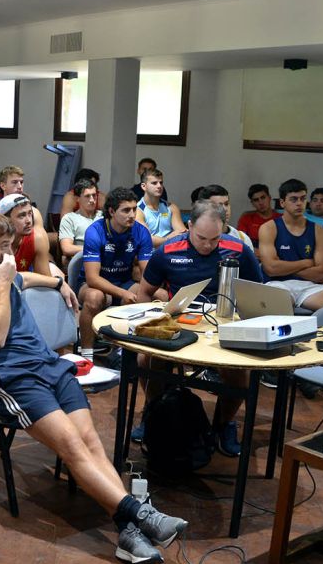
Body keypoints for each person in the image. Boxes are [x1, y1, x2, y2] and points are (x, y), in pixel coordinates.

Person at [0, 212, 188, 564]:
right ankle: (139, 514)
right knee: (71, 445)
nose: (11, 255)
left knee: (89, 440)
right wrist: (3, 284)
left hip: (48, 366)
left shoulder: (8, 274)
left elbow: (25, 277)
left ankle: (127, 528)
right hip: (9, 376)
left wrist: (57, 282)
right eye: (4, 248)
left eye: (11, 246)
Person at [137, 202, 266, 456]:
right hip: (179, 325)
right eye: (201, 238)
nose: (208, 245)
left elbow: (257, 293)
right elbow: (144, 292)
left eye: (215, 239)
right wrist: (149, 323)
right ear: (189, 226)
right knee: (145, 360)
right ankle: (154, 413)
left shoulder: (239, 250)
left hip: (223, 326)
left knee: (239, 374)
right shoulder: (167, 251)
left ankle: (223, 425)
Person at [78, 188, 156, 354]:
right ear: (112, 211)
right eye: (126, 210)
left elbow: (148, 273)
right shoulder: (95, 231)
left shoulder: (141, 232)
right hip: (95, 285)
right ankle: (87, 354)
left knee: (159, 295)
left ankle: (130, 354)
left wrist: (146, 292)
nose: (132, 215)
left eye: (134, 209)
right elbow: (92, 278)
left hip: (125, 282)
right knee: (94, 297)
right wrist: (123, 293)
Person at [258, 179, 323, 311]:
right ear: (282, 203)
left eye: (303, 199)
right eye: (293, 199)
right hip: (277, 284)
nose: (299, 203)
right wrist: (306, 263)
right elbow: (271, 268)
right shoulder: (269, 228)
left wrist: (284, 266)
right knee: (277, 311)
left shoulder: (319, 230)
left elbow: (321, 274)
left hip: (309, 287)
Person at [135, 168, 185, 248]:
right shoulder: (137, 210)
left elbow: (182, 234)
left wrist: (161, 241)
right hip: (149, 252)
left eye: (161, 183)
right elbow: (146, 239)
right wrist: (168, 239)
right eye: (154, 183)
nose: (159, 186)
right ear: (144, 186)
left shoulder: (171, 207)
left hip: (170, 250)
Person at [196, 184, 254, 250]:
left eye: (226, 204)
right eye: (218, 205)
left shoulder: (242, 238)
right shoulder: (194, 238)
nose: (225, 209)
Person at [58, 178, 103, 259]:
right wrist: (95, 249)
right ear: (77, 199)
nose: (92, 200)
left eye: (94, 195)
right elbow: (67, 248)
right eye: (87, 196)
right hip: (82, 260)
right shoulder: (70, 219)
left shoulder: (103, 216)